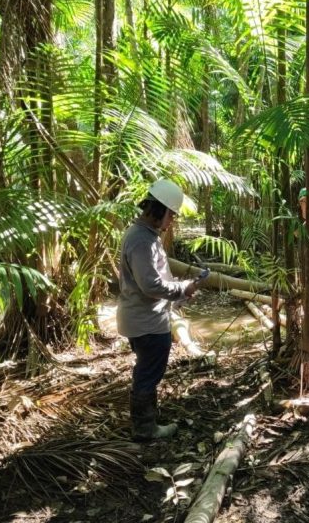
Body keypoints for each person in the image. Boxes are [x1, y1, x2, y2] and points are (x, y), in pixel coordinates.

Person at [117, 179, 201, 441]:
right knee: (148, 372)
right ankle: (144, 428)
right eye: (171, 215)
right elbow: (150, 285)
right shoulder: (142, 240)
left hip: (145, 318)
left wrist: (178, 293)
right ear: (159, 209)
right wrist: (182, 289)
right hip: (146, 322)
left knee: (148, 370)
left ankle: (148, 419)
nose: (172, 221)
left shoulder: (145, 236)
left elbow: (153, 280)